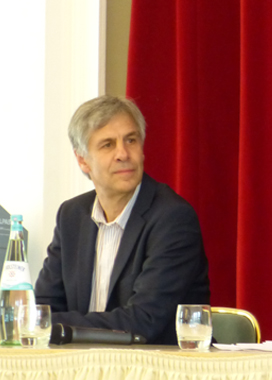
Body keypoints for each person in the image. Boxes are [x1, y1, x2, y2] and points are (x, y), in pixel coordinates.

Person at [34, 95, 210, 345]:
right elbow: (44, 306)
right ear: (82, 160)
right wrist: (38, 321)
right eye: (107, 145)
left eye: (131, 140)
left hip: (154, 365)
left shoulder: (172, 218)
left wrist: (48, 324)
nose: (123, 154)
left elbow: (143, 321)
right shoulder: (71, 216)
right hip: (77, 363)